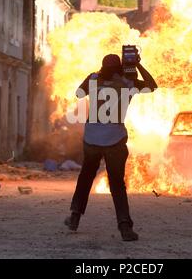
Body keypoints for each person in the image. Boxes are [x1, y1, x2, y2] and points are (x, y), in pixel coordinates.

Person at [65, 53, 158, 241]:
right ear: (120, 67)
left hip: (91, 138)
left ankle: (75, 217)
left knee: (86, 177)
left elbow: (78, 93)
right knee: (117, 184)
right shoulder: (128, 83)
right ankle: (124, 227)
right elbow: (152, 85)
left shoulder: (93, 78)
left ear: (102, 67)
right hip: (115, 139)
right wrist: (137, 66)